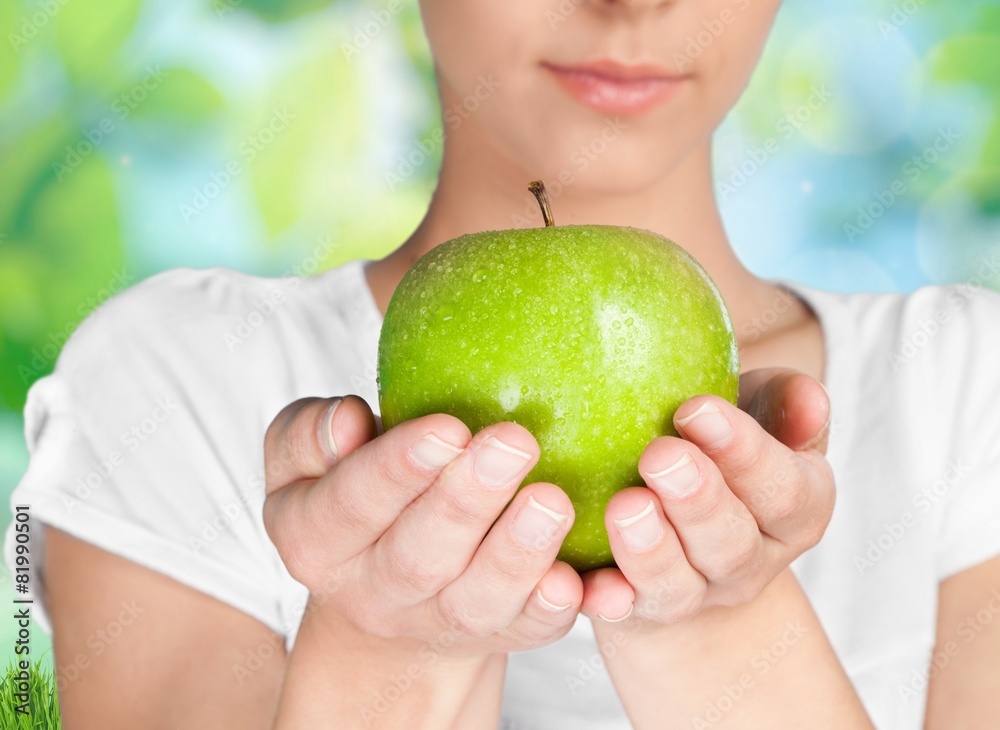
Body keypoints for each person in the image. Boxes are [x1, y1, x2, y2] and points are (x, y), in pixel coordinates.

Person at [6, 0, 1000, 727]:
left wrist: (708, 625)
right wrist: (390, 645)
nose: (631, 7)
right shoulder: (171, 379)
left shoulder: (967, 385)